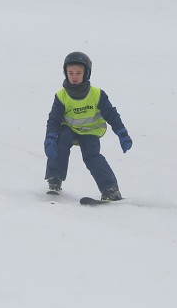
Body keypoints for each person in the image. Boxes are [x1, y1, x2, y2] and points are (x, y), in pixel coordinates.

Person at [44, 52, 133, 201]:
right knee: (61, 142)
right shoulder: (61, 96)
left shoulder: (97, 94)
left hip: (90, 131)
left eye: (79, 73)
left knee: (92, 156)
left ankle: (110, 189)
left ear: (87, 73)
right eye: (70, 73)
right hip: (69, 129)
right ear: (65, 73)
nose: (74, 76)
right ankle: (54, 178)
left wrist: (122, 133)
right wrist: (50, 138)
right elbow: (54, 119)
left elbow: (112, 114)